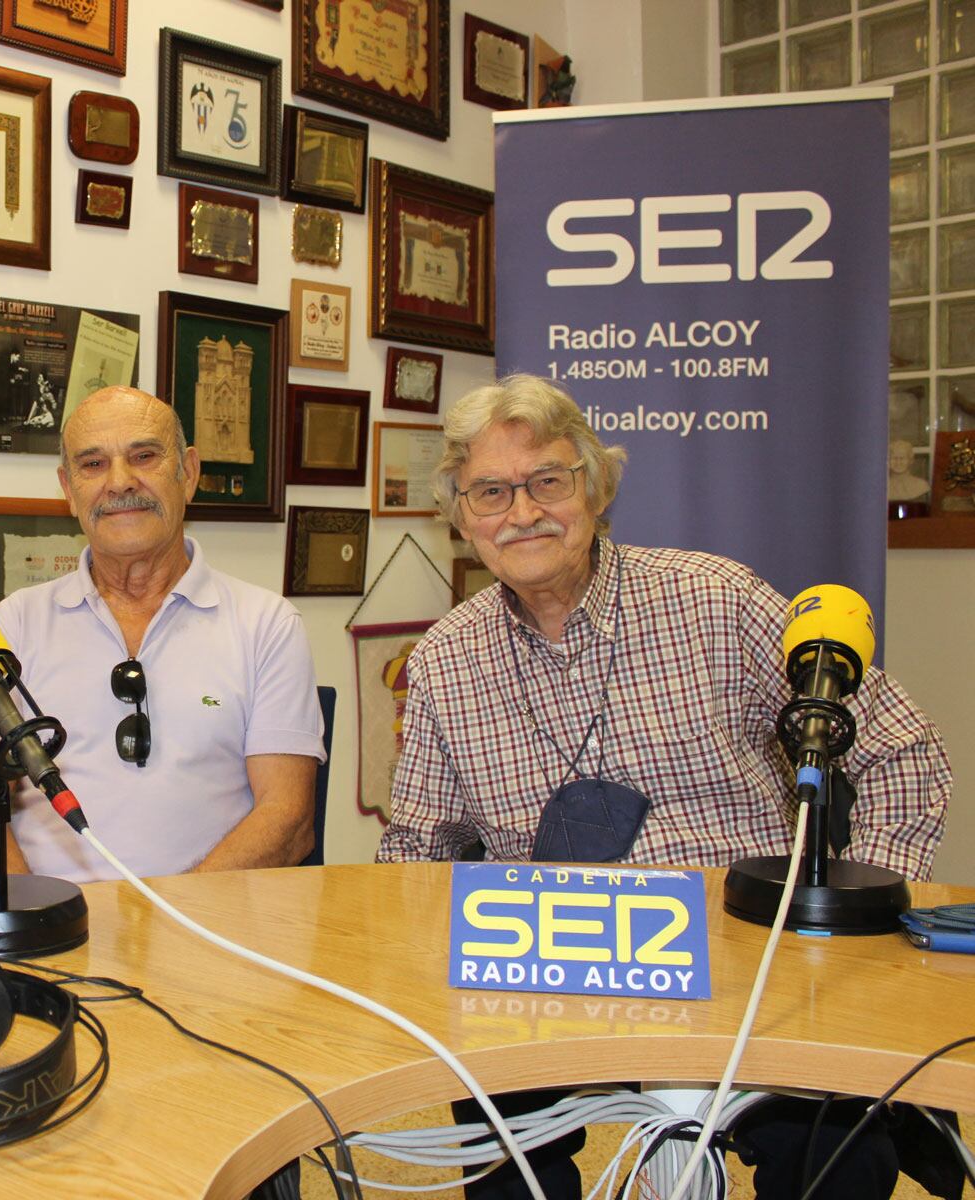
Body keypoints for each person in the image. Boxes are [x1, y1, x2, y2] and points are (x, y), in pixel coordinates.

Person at [377, 374, 952, 1199]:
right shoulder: (443, 660)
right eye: (491, 492)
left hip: (747, 962)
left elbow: (903, 751)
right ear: (463, 518)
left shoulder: (715, 600)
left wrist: (856, 935)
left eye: (548, 480)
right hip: (550, 968)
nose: (523, 511)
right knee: (493, 1137)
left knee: (837, 1147)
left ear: (595, 489)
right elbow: (417, 849)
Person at [0, 385, 325, 883]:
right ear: (68, 488)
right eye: (93, 464)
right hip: (51, 936)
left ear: (188, 473)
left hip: (209, 930)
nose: (120, 482)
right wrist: (36, 930)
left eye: (143, 456)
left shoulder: (266, 626)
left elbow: (288, 819)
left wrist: (169, 929)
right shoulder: (11, 625)